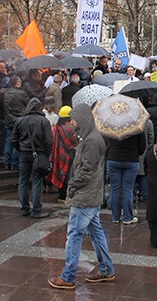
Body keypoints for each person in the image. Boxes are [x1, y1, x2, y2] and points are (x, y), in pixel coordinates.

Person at [48, 103, 115, 290]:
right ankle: (106, 269)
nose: (71, 122)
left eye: (74, 118)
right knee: (96, 233)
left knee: (74, 235)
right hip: (90, 194)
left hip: (85, 195)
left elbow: (87, 169)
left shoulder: (92, 140)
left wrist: (73, 184)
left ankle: (68, 276)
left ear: (82, 119)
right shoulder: (90, 137)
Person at [11, 97, 53, 218]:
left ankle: (24, 208)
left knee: (23, 180)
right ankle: (36, 210)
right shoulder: (43, 121)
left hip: (24, 153)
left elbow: (13, 140)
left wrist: (21, 149)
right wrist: (46, 153)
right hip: (39, 153)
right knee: (37, 181)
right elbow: (49, 141)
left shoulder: (20, 121)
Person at [106, 130, 146, 224]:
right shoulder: (136, 127)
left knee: (114, 188)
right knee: (128, 189)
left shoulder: (112, 125)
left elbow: (106, 143)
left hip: (113, 158)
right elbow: (142, 148)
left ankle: (115, 217)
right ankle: (128, 217)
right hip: (131, 159)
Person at [47, 106, 78, 202]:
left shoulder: (57, 127)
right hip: (68, 155)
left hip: (58, 153)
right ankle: (65, 194)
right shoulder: (69, 128)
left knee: (60, 175)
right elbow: (75, 141)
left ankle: (61, 194)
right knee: (67, 175)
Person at [3, 75, 29, 171]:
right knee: (17, 142)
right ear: (17, 83)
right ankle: (14, 163)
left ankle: (6, 162)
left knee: (9, 141)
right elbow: (28, 104)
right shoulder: (22, 93)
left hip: (9, 120)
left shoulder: (6, 93)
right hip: (19, 121)